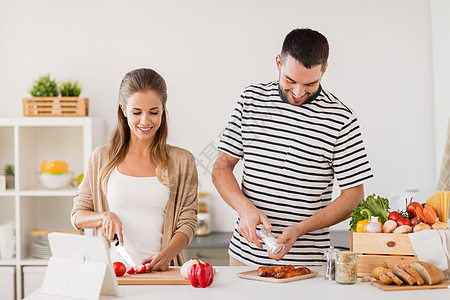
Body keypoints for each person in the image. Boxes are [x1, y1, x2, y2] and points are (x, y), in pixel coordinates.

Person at [212, 28, 373, 266]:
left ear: (324, 70)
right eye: (290, 80)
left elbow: (354, 197)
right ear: (279, 62)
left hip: (306, 266)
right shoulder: (251, 100)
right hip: (244, 260)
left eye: (310, 83)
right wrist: (244, 208)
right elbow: (221, 168)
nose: (298, 93)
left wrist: (300, 229)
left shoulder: (341, 119)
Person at [70, 68, 199, 271]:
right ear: (123, 109)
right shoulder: (101, 158)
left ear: (163, 109)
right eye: (137, 112)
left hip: (162, 272)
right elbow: (77, 215)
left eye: (153, 112)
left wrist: (166, 256)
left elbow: (188, 222)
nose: (145, 121)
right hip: (112, 272)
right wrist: (104, 216)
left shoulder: (183, 161)